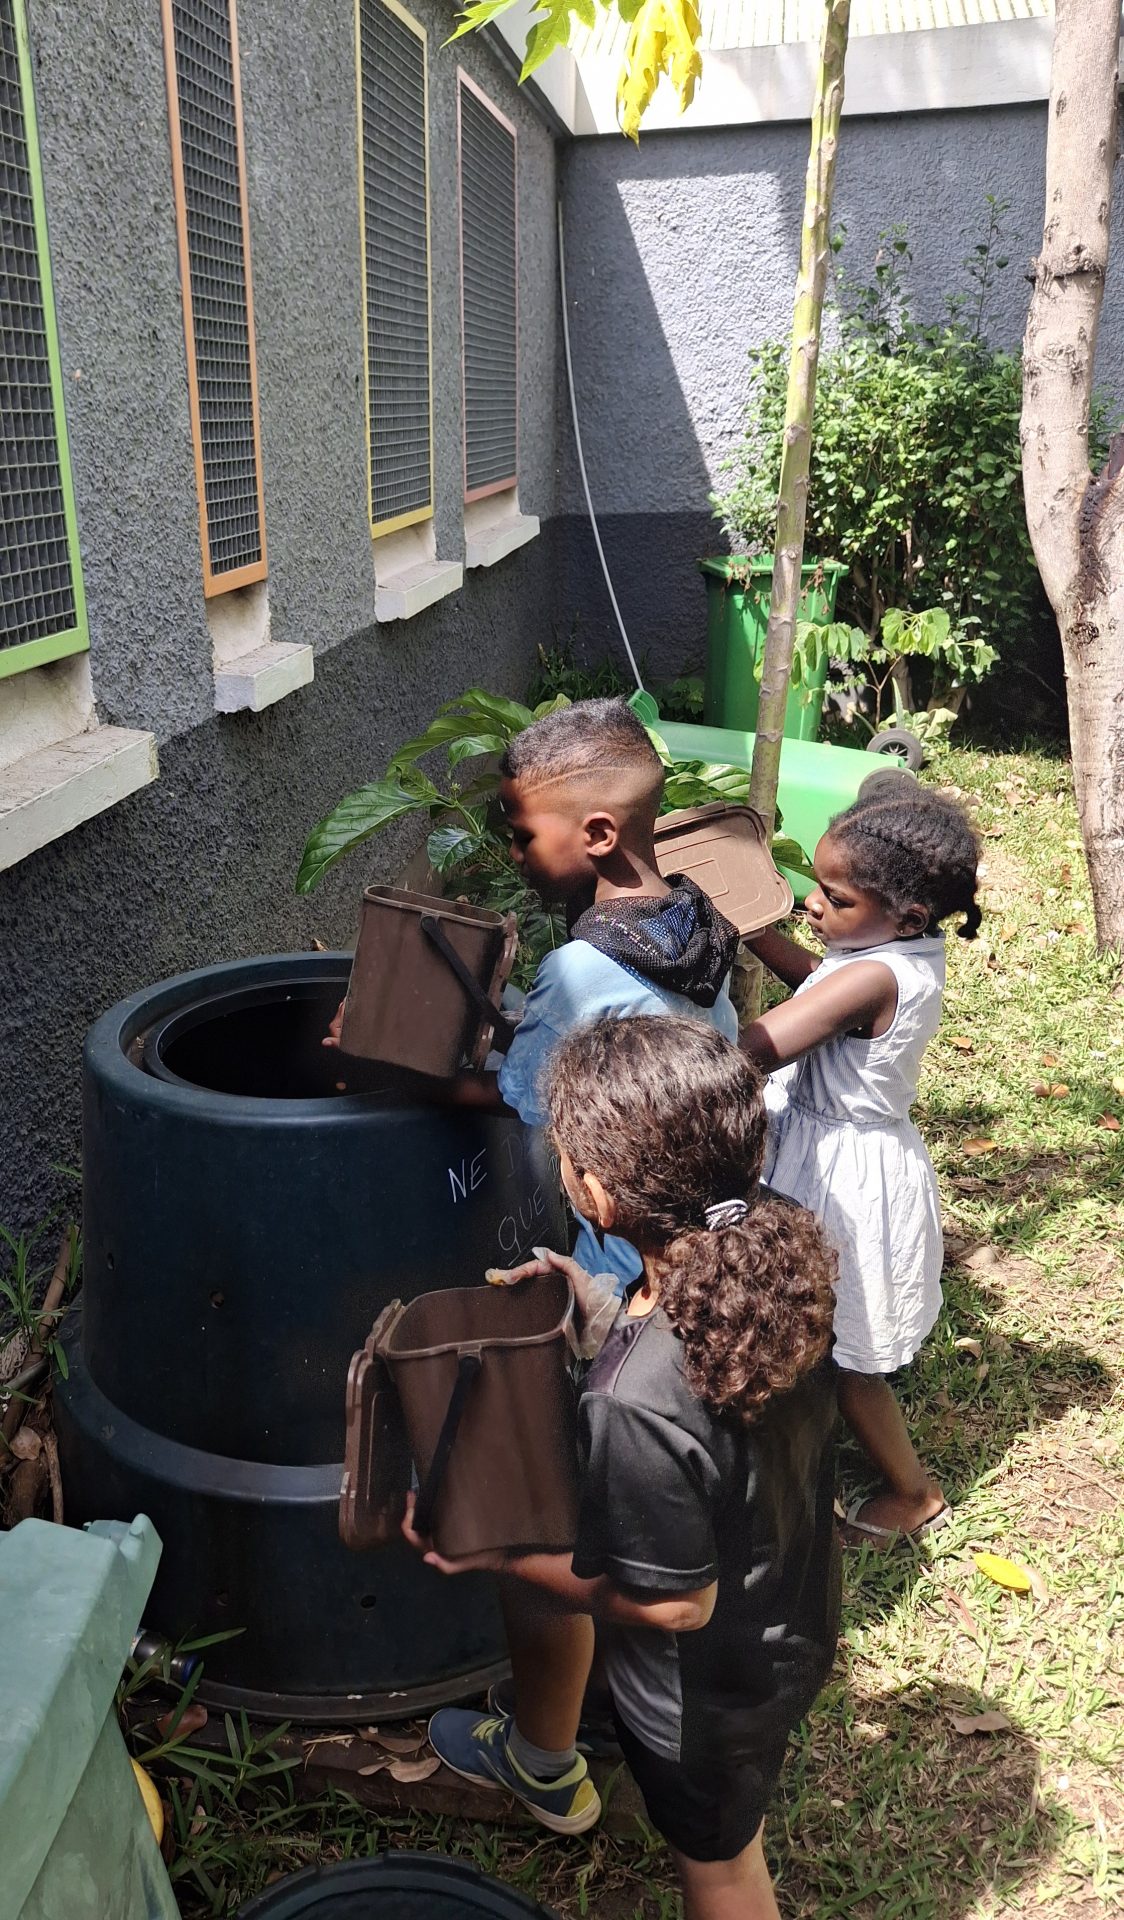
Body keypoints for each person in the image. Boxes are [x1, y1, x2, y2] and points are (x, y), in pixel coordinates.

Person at [327, 697, 741, 1832]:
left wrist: (387, 1065)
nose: (512, 852)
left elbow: (513, 1098)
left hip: (604, 1278)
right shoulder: (696, 920)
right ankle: (609, 1706)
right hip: (683, 1248)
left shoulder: (570, 973)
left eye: (521, 832)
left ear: (596, 834)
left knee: (551, 1525)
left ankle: (544, 1758)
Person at [405, 1016, 840, 1920]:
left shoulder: (631, 1403)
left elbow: (679, 1602)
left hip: (700, 1693)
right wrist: (601, 1306)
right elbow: (707, 1392)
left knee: (720, 1867)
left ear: (596, 1193)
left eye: (564, 1155)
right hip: (788, 1615)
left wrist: (493, 1555)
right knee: (732, 1823)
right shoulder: (774, 1242)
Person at [739, 775, 980, 1547]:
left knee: (847, 1358)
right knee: (814, 1325)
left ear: (904, 914)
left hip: (841, 1174)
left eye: (835, 899)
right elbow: (821, 983)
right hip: (839, 1148)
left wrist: (660, 1065)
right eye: (815, 884)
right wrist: (754, 933)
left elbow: (760, 1045)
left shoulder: (875, 972)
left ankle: (914, 1493)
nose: (814, 904)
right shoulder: (892, 951)